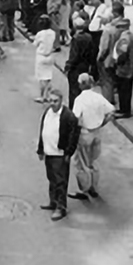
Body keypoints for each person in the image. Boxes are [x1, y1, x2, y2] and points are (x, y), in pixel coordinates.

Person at [69, 73, 116, 201]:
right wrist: (103, 123)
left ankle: (84, 189)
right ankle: (94, 187)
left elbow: (76, 119)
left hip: (85, 133)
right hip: (97, 132)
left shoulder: (79, 100)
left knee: (82, 163)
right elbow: (111, 111)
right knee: (94, 161)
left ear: (80, 84)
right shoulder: (98, 97)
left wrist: (73, 135)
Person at [35, 89, 79, 221]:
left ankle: (61, 207)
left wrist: (68, 153)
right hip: (49, 152)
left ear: (61, 100)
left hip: (59, 154)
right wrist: (41, 149)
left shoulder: (68, 116)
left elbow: (73, 136)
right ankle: (53, 201)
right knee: (52, 178)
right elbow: (42, 131)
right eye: (50, 100)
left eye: (55, 101)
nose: (52, 103)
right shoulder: (47, 113)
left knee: (60, 181)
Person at [107, 18, 133, 118]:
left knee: (123, 90)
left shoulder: (124, 38)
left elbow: (123, 54)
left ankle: (124, 110)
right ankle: (125, 109)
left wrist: (117, 62)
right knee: (127, 90)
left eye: (118, 27)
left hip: (124, 69)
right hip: (132, 67)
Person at [32, 16, 57, 102]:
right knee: (48, 76)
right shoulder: (53, 33)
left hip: (41, 55)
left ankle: (42, 96)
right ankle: (48, 94)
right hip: (50, 55)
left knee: (41, 78)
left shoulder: (40, 34)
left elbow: (35, 44)